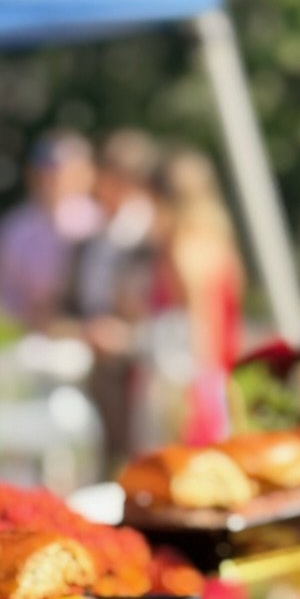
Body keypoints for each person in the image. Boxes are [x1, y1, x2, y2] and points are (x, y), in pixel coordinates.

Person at [70, 129, 161, 463]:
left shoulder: (149, 233)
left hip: (138, 357)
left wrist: (124, 333)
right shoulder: (95, 234)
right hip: (99, 351)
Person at [151, 147, 244, 445]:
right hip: (219, 371)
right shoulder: (217, 241)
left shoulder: (183, 248)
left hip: (193, 374)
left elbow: (201, 320)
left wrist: (199, 389)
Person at [0, 131, 99, 332]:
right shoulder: (15, 228)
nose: (53, 180)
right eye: (46, 173)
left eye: (63, 172)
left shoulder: (100, 222)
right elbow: (4, 292)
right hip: (34, 331)